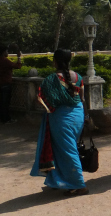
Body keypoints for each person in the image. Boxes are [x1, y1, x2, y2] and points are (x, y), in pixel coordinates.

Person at [31, 49, 88, 196]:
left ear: (55, 61)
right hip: (77, 116)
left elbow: (41, 100)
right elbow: (82, 99)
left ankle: (79, 185)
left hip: (61, 118)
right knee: (66, 149)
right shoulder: (78, 76)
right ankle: (60, 180)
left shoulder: (50, 80)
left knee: (68, 151)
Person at [0, 44, 22, 124]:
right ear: (3, 52)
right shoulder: (5, 60)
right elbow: (18, 66)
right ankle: (6, 119)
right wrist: (19, 57)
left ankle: (3, 118)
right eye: (6, 51)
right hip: (5, 85)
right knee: (5, 103)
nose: (7, 52)